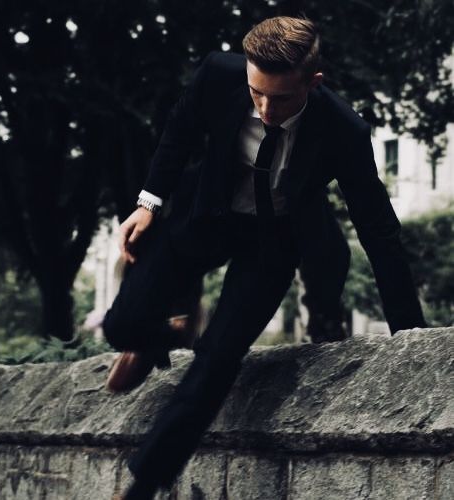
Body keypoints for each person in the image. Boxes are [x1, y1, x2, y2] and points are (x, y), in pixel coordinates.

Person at [102, 16, 427, 499]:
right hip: (202, 215)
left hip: (271, 243)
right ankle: (166, 334)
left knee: (218, 360)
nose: (266, 109)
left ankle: (144, 482)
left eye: (281, 98)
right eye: (257, 94)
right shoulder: (217, 73)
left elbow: (378, 230)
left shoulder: (344, 131)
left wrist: (411, 336)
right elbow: (180, 129)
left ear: (313, 82)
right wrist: (148, 204)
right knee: (120, 326)